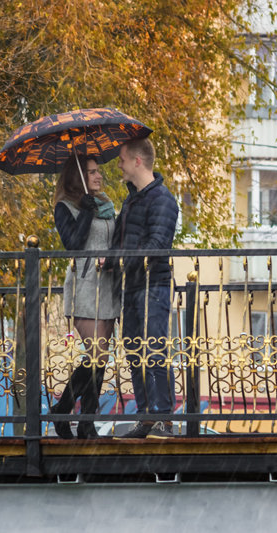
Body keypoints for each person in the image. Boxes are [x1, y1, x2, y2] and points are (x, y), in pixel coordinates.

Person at [110, 137, 179, 439]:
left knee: (154, 350)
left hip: (155, 283)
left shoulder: (162, 199)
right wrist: (110, 260)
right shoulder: (130, 200)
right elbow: (120, 243)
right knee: (134, 350)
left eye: (122, 159)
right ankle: (146, 417)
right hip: (134, 284)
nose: (119, 165)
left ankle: (164, 418)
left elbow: (157, 244)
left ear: (137, 161)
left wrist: (124, 260)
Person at [50, 154, 119, 439]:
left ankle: (83, 421)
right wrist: (86, 211)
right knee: (95, 353)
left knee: (100, 358)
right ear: (78, 177)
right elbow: (73, 244)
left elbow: (115, 240)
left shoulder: (107, 205)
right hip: (84, 285)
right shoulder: (64, 207)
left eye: (98, 171)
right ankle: (70, 411)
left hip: (109, 285)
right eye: (91, 173)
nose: (98, 176)